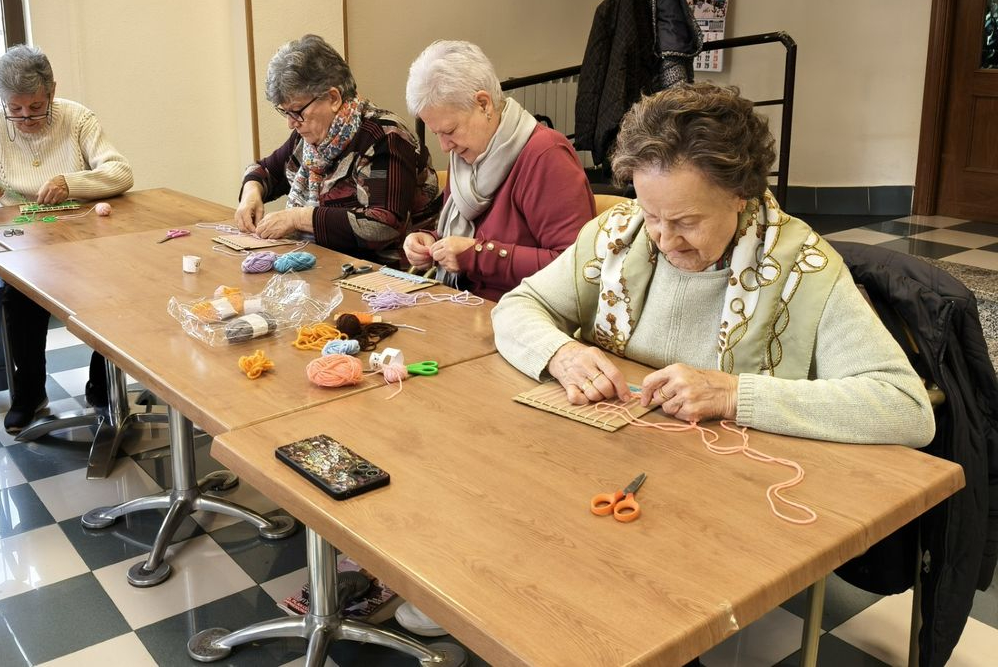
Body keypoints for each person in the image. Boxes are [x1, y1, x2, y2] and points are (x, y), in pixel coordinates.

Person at [492, 82, 936, 447]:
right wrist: (562, 354)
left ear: (741, 195)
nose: (664, 240)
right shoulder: (618, 234)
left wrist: (734, 394)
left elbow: (906, 408)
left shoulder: (804, 269)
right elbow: (517, 307)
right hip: (621, 451)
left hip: (745, 482)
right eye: (651, 214)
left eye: (687, 222)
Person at [0, 45, 134, 432]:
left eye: (35, 107)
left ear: (52, 91)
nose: (25, 118)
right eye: (15, 109)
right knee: (18, 298)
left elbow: (121, 173)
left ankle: (102, 386)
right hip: (24, 242)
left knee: (115, 290)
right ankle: (30, 392)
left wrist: (71, 182)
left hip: (83, 238)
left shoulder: (78, 119)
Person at [402, 40, 595, 300]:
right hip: (467, 304)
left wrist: (477, 256)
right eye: (437, 134)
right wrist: (431, 242)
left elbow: (574, 267)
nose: (445, 147)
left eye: (449, 131)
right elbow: (467, 236)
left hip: (524, 312)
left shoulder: (546, 155)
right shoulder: (465, 156)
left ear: (484, 104)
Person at [235, 34, 440, 265]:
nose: (291, 123)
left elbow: (382, 225)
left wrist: (298, 218)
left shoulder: (386, 138)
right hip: (330, 264)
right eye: (286, 112)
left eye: (296, 111)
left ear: (333, 98)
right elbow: (264, 171)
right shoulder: (309, 140)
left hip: (386, 273)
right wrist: (251, 194)